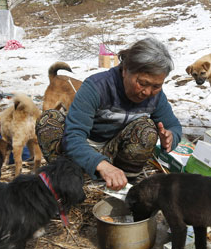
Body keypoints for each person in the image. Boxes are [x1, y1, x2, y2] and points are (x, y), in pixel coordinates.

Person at [35, 37, 182, 190]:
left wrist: (171, 136)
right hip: (83, 147)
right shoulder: (97, 87)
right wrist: (100, 164)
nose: (147, 92)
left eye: (156, 86)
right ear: (125, 70)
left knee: (147, 129)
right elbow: (73, 137)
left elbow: (173, 126)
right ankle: (68, 181)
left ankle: (124, 183)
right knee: (48, 120)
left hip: (114, 151)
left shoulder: (155, 97)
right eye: (142, 83)